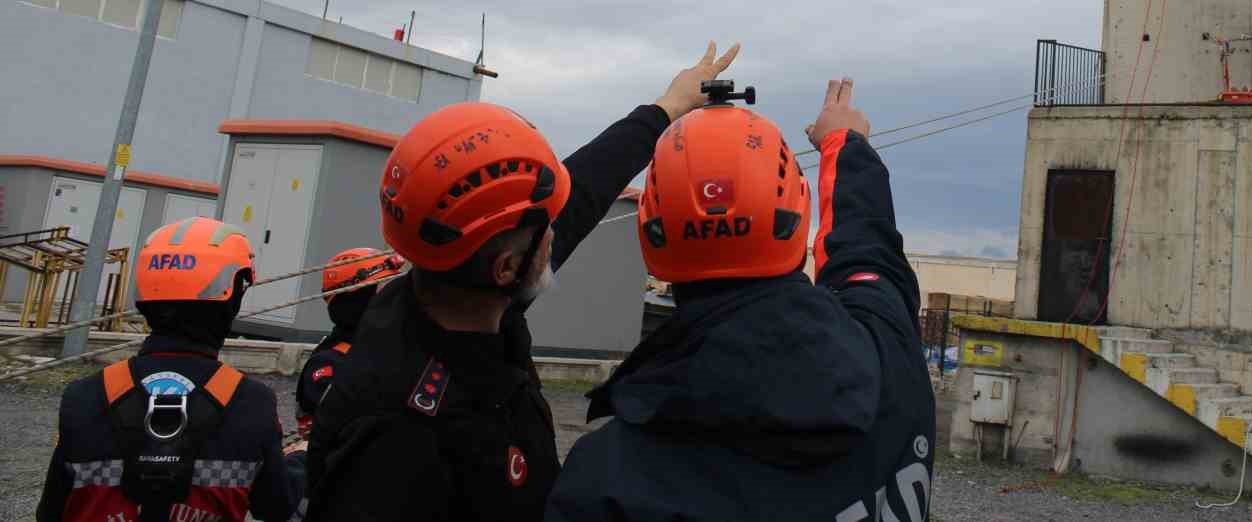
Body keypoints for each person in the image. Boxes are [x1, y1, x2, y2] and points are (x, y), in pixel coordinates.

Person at [303, 41, 740, 522]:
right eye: (545, 228)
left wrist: (666, 108)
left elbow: (584, 189)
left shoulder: (448, 311)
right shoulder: (400, 435)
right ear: (507, 269)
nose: (557, 232)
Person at [546, 77, 937, 522]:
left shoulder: (610, 481)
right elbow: (870, 249)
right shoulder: (889, 351)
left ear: (651, 236)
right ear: (797, 213)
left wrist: (663, 111)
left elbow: (515, 260)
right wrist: (842, 144)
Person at [37, 217, 302, 522]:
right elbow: (277, 507)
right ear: (231, 297)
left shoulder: (83, 396)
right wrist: (299, 459)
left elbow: (50, 513)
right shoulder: (252, 402)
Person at [293, 247, 405, 436]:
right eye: (384, 291)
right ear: (357, 301)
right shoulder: (329, 362)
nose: (395, 299)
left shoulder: (383, 348)